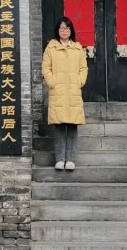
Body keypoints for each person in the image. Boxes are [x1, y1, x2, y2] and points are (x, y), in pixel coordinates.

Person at [41, 16, 88, 171]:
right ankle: (60, 159)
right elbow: (45, 67)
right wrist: (52, 82)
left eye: (67, 28)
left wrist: (79, 81)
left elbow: (83, 68)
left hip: (73, 91)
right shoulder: (51, 48)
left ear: (71, 30)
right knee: (59, 126)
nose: (64, 31)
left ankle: (71, 159)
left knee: (72, 126)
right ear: (57, 30)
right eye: (62, 28)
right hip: (58, 91)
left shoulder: (77, 48)